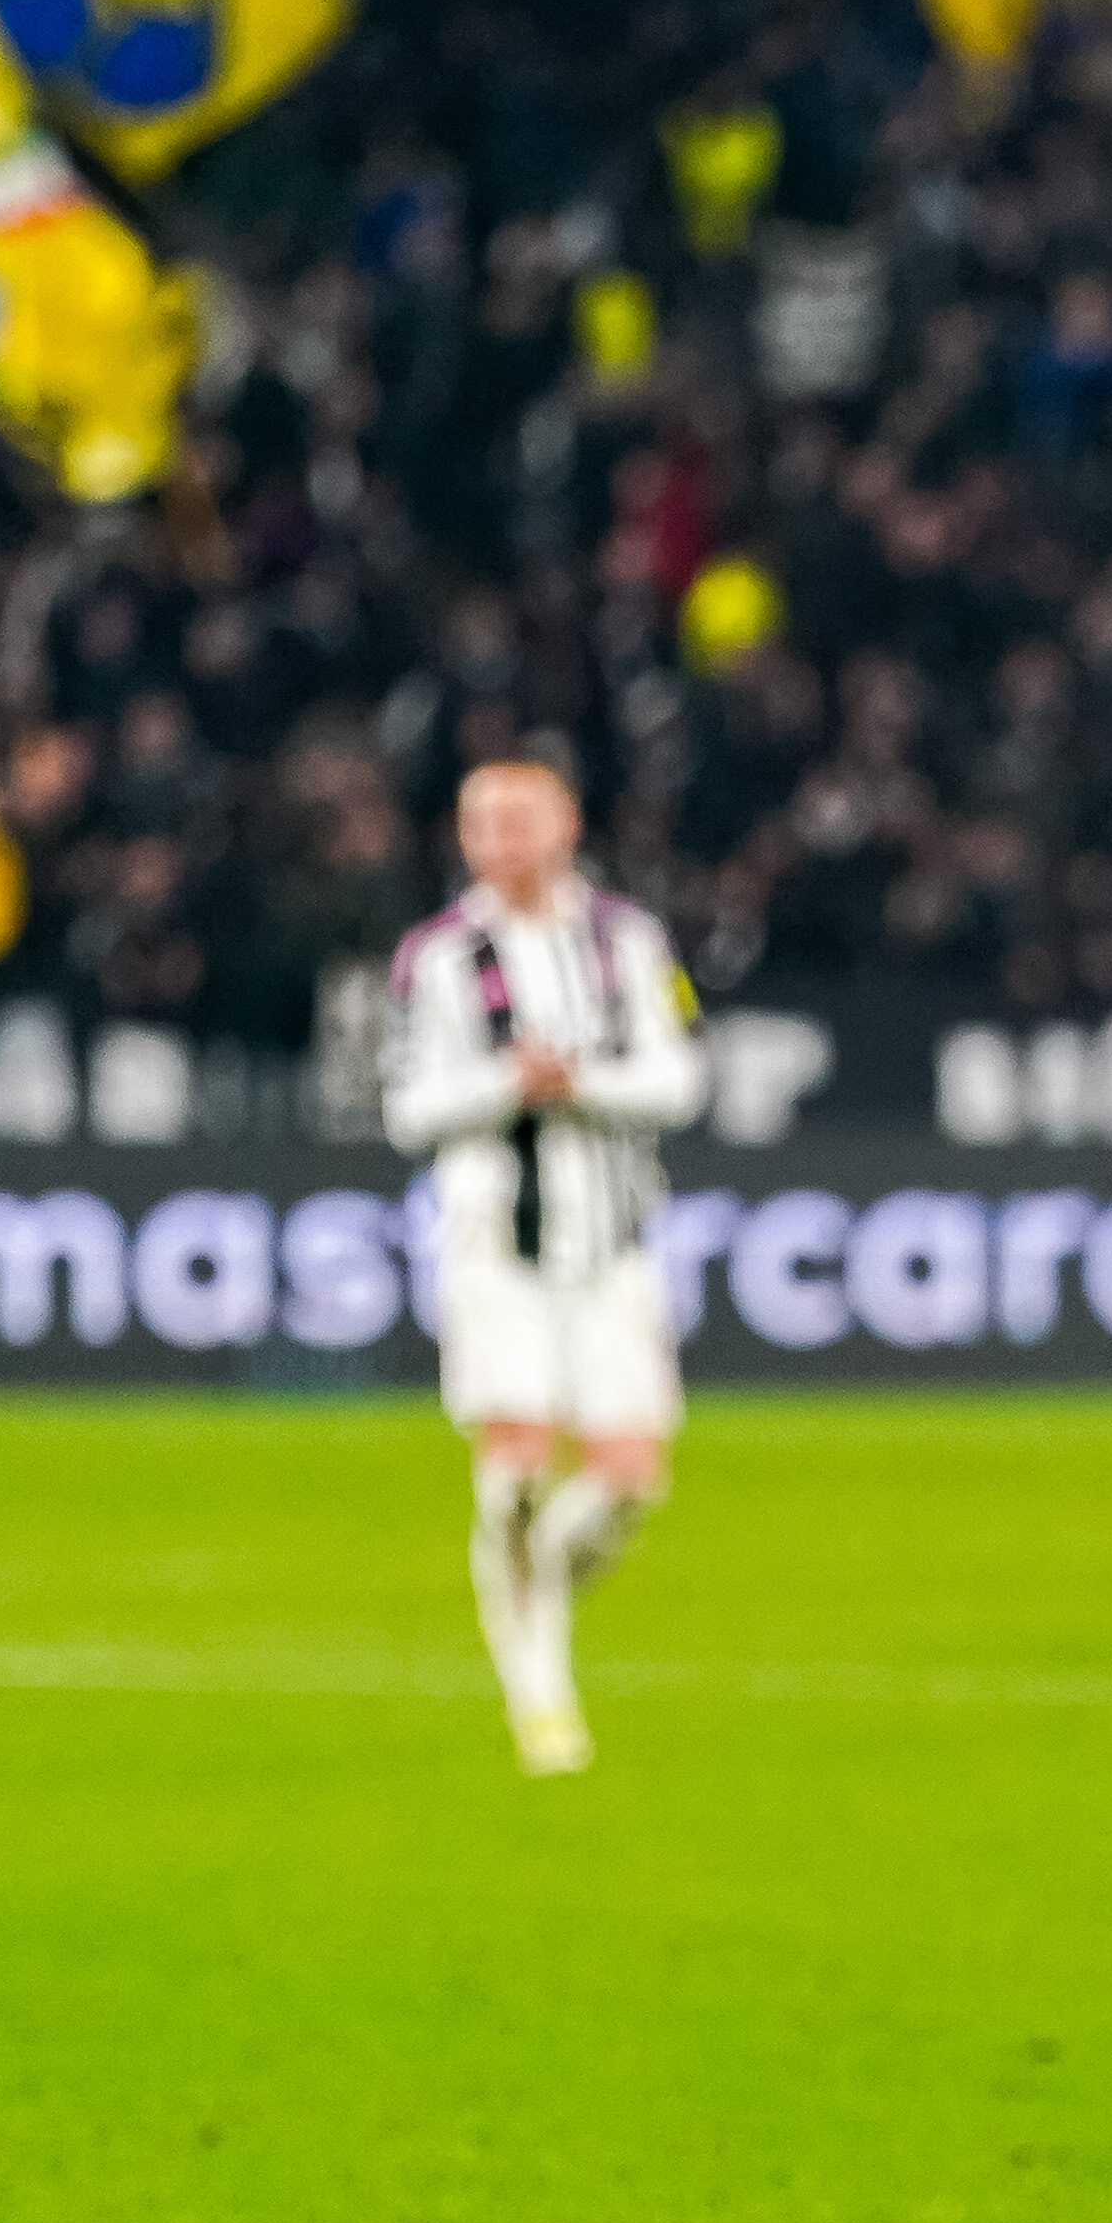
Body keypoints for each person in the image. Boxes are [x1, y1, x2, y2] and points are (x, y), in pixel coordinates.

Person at [378, 757, 708, 1776]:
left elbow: (681, 1078)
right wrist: (505, 1084)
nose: (502, 840)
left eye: (520, 819)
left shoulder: (629, 941)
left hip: (611, 1247)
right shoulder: (435, 958)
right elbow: (407, 1109)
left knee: (630, 1483)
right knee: (516, 1465)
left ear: (565, 823)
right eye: (482, 821)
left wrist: (581, 1084)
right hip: (495, 1249)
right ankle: (542, 1695)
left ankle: (528, 1599)